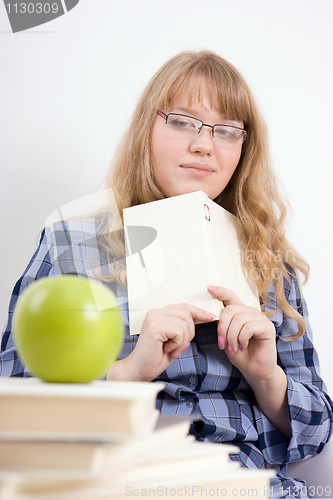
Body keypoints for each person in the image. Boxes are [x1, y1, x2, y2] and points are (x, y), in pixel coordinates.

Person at [1, 51, 332, 498]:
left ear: (242, 150)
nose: (204, 145)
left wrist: (266, 375)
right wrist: (129, 372)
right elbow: (13, 411)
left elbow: (318, 432)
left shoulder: (267, 256)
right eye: (182, 121)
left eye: (227, 131)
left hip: (251, 483)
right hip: (124, 479)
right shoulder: (71, 240)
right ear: (147, 130)